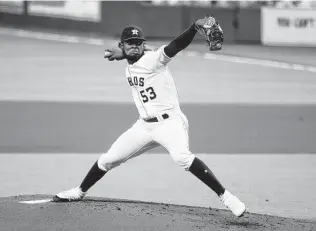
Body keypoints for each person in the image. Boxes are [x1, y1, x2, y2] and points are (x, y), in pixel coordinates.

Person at [53, 16, 246, 217]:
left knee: (182, 157)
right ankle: (79, 191)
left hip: (170, 123)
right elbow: (133, 58)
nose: (135, 47)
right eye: (130, 43)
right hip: (144, 127)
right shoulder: (130, 60)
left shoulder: (154, 59)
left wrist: (193, 28)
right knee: (108, 159)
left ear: (144, 45)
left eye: (139, 43)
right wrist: (122, 54)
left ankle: (226, 197)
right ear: (122, 45)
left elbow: (174, 47)